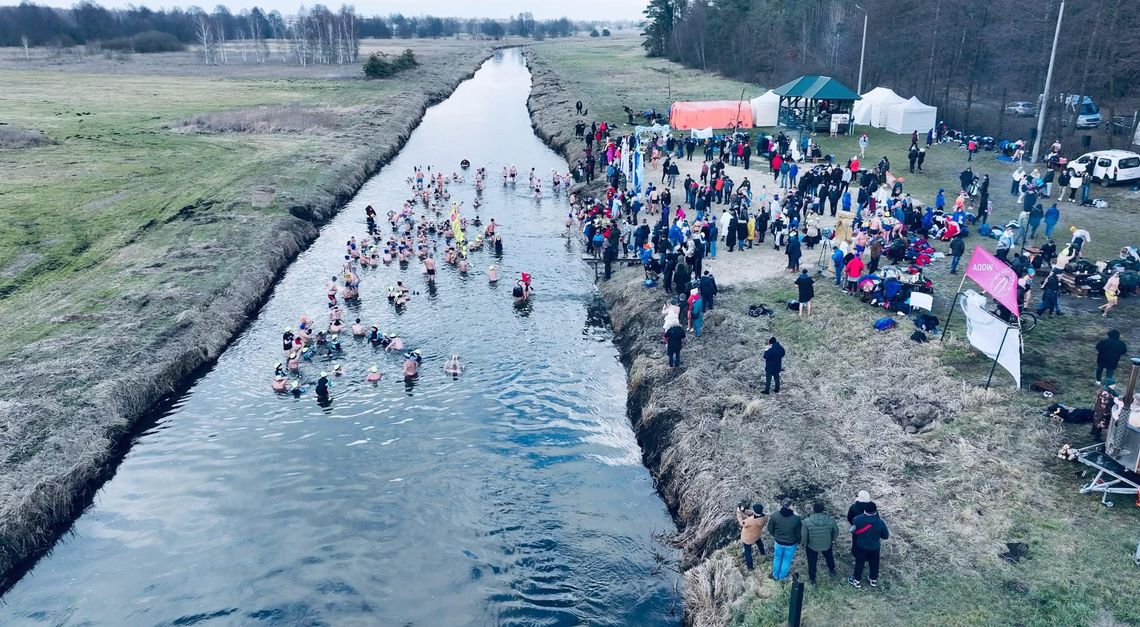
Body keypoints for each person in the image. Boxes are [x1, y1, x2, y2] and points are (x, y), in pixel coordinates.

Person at [848, 502, 889, 589]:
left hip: (861, 546)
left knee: (859, 563)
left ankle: (857, 580)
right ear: (876, 510)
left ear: (865, 510)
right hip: (875, 547)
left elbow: (853, 528)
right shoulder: (880, 522)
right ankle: (873, 579)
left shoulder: (858, 519)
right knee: (874, 563)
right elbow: (885, 536)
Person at [801, 501, 839, 585]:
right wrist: (832, 539)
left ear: (813, 510)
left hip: (812, 545)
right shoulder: (830, 520)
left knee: (812, 561)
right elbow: (836, 531)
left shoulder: (806, 521)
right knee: (829, 557)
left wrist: (804, 543)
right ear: (823, 510)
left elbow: (804, 535)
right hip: (827, 543)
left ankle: (812, 579)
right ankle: (832, 570)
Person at [766, 498, 801, 582]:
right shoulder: (796, 519)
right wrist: (798, 541)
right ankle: (782, 577)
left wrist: (776, 536)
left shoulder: (775, 515)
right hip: (791, 544)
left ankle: (775, 576)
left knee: (777, 558)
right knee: (786, 560)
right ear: (790, 506)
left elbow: (770, 528)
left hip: (778, 543)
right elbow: (798, 534)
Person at [736, 503, 767, 571]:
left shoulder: (750, 521)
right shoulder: (764, 517)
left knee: (748, 552)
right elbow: (753, 513)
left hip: (748, 538)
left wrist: (739, 513)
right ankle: (763, 553)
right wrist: (744, 510)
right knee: (759, 543)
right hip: (756, 535)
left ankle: (750, 566)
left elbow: (741, 523)